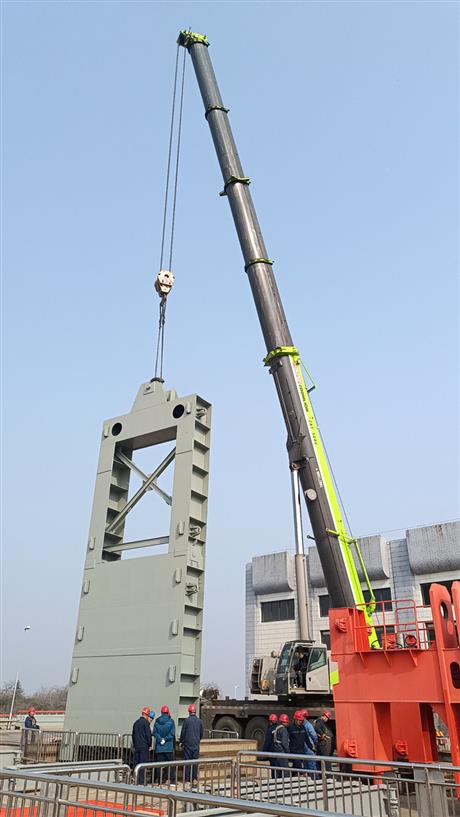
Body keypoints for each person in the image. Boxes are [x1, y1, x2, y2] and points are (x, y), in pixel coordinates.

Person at [179, 704, 203, 787]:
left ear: (189, 711)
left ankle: (187, 779)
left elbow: (183, 732)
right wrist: (197, 740)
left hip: (188, 744)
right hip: (196, 744)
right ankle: (194, 779)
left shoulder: (186, 721)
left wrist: (181, 741)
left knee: (187, 762)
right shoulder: (199, 721)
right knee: (195, 762)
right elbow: (201, 733)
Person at [153, 705, 176, 784]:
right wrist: (165, 739)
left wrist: (160, 739)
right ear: (168, 712)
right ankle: (172, 780)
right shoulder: (171, 721)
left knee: (159, 765)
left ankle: (159, 780)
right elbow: (172, 734)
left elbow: (154, 732)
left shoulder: (157, 721)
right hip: (168, 747)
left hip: (159, 747)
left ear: (161, 712)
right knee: (171, 765)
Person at [132, 707, 154, 784]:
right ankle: (141, 781)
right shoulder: (146, 723)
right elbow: (148, 735)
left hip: (137, 746)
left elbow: (133, 735)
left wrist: (135, 745)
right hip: (144, 747)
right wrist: (150, 744)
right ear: (147, 715)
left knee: (136, 763)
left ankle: (135, 779)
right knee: (142, 764)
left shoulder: (136, 723)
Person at [272, 713, 290, 777]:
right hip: (282, 752)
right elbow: (285, 743)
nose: (288, 723)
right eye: (287, 722)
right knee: (285, 770)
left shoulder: (277, 728)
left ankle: (277, 781)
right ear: (284, 722)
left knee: (278, 770)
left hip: (277, 750)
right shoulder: (284, 730)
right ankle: (286, 781)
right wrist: (288, 751)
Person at [300, 709, 318, 773]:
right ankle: (313, 777)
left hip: (304, 746)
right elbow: (314, 735)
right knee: (311, 763)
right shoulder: (308, 725)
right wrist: (315, 743)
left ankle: (309, 776)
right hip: (309, 746)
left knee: (307, 763)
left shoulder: (301, 725)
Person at [262, 714, 278, 778]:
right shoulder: (278, 728)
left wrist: (264, 751)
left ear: (270, 721)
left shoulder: (270, 730)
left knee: (273, 766)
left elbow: (267, 741)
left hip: (272, 750)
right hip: (277, 750)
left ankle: (274, 778)